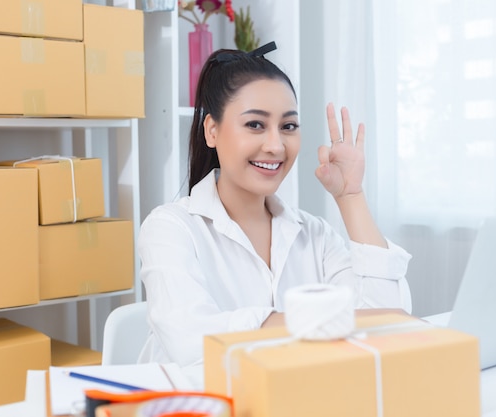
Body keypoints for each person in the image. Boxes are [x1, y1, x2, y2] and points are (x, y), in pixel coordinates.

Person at [137, 42, 412, 367]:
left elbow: (387, 323)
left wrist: (351, 197)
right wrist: (320, 323)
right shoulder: (170, 228)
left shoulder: (314, 235)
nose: (275, 145)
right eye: (255, 124)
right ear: (212, 130)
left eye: (288, 126)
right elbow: (193, 344)